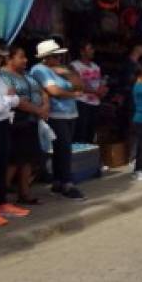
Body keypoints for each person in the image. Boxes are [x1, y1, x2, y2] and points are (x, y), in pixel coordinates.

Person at [30, 39, 86, 200]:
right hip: (55, 114)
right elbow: (54, 91)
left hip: (70, 113)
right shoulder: (39, 69)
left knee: (63, 149)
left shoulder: (61, 69)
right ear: (47, 57)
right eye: (56, 56)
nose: (59, 59)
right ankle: (67, 183)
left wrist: (67, 73)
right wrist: (73, 94)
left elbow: (80, 85)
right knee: (63, 149)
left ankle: (58, 182)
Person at [0, 40, 31, 227]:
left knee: (1, 165)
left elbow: (11, 100)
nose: (0, 60)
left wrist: (9, 99)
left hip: (2, 124)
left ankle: (2, 203)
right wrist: (11, 99)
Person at [0, 45, 49, 205]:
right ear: (9, 58)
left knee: (27, 159)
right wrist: (38, 110)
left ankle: (24, 193)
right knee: (13, 160)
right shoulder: (3, 76)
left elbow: (42, 91)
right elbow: (16, 101)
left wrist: (45, 107)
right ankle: (1, 196)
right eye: (21, 57)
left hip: (31, 122)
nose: (25, 60)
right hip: (16, 123)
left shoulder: (27, 75)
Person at [70, 41, 107, 144]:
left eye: (92, 49)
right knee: (81, 132)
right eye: (89, 49)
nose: (92, 51)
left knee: (91, 132)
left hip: (95, 103)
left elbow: (99, 83)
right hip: (81, 102)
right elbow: (77, 84)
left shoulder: (96, 67)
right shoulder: (74, 65)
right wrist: (96, 91)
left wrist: (102, 90)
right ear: (82, 52)